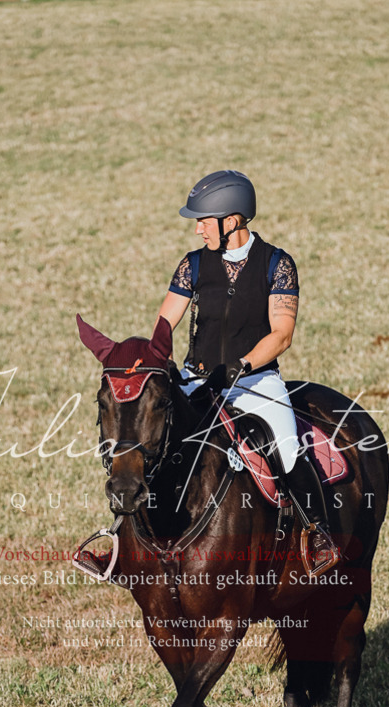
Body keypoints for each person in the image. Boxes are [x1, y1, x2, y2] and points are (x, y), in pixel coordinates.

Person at [157, 169, 340, 576]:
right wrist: (151, 354)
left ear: (232, 221)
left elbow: (282, 334)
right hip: (196, 379)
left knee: (287, 443)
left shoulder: (278, 264)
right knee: (151, 436)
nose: (198, 230)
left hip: (255, 382)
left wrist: (240, 368)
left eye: (204, 221)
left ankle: (317, 533)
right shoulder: (191, 266)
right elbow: (164, 323)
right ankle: (123, 536)